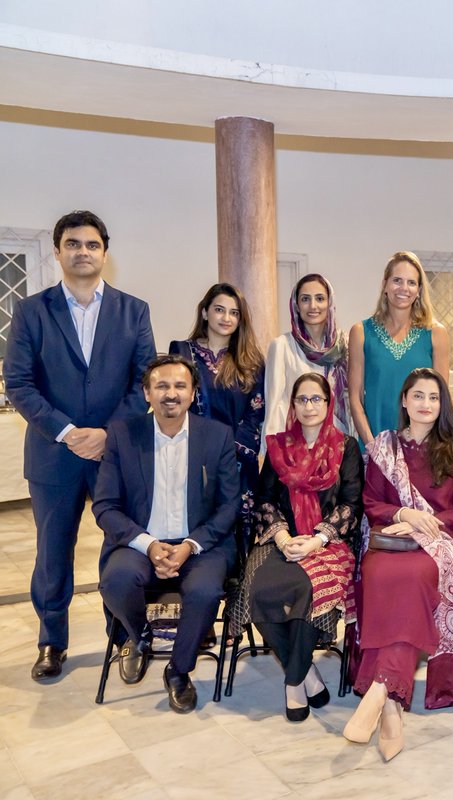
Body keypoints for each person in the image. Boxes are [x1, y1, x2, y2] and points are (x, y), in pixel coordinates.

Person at [4, 210, 156, 681]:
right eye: (73, 244)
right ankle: (52, 642)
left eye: (91, 245)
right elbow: (19, 383)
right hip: (54, 455)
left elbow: (144, 381)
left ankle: (128, 635)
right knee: (53, 552)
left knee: (123, 546)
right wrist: (70, 432)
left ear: (104, 253)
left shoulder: (134, 310)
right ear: (57, 251)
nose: (82, 252)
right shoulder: (32, 310)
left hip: (117, 453)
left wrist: (108, 435)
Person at [346, 368, 453, 761]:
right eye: (418, 396)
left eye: (434, 397)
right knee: (379, 575)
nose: (426, 404)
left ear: (442, 405)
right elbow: (371, 503)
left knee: (414, 582)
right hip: (391, 542)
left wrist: (430, 523)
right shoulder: (384, 447)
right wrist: (406, 514)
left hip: (440, 545)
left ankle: (380, 691)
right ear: (404, 401)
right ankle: (390, 706)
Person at [92, 355, 240, 713]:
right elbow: (105, 506)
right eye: (161, 386)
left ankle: (179, 669)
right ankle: (138, 634)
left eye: (179, 386)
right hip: (140, 541)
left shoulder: (216, 435)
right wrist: (148, 544)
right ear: (147, 393)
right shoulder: (122, 436)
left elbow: (228, 506)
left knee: (205, 591)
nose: (170, 394)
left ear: (192, 393)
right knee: (116, 581)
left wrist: (190, 546)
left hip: (201, 543)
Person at [230, 372, 362, 722]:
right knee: (257, 588)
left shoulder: (346, 447)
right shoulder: (277, 447)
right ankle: (306, 673)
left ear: (329, 402)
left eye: (316, 399)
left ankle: (292, 682)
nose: (309, 406)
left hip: (328, 541)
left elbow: (351, 504)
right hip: (282, 539)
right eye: (301, 399)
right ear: (293, 405)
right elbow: (265, 500)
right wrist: (284, 537)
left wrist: (317, 538)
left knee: (306, 588)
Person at [169, 282, 266, 537]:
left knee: (237, 526)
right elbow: (176, 405)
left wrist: (229, 451)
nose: (226, 318)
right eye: (219, 310)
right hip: (192, 454)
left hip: (238, 460)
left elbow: (255, 412)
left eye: (234, 313)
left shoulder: (252, 361)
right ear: (205, 312)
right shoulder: (181, 352)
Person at [348, 251, 451, 447]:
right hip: (374, 446)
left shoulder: (436, 334)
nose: (404, 288)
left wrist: (424, 448)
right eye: (397, 280)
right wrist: (372, 447)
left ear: (419, 289)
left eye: (411, 282)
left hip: (422, 449)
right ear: (384, 284)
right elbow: (355, 397)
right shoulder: (361, 332)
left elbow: (441, 401)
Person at [264, 273, 350, 438]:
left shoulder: (343, 345)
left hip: (337, 441)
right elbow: (275, 406)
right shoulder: (282, 346)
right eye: (305, 299)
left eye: (319, 298)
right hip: (297, 444)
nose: (313, 306)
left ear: (330, 303)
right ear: (296, 305)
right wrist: (272, 449)